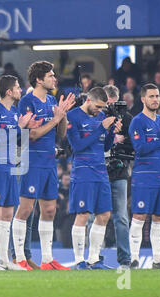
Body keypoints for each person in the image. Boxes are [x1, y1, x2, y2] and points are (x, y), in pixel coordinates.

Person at [12, 60, 75, 270]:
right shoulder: (26, 102)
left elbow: (62, 134)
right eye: (50, 75)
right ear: (39, 79)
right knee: (26, 209)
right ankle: (19, 258)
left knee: (49, 210)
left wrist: (63, 116)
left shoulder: (51, 100)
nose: (54, 78)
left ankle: (47, 260)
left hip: (49, 162)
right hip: (31, 161)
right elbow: (32, 134)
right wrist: (55, 119)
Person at [0, 75, 38, 270]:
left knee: (7, 214)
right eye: (17, 87)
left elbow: (16, 140)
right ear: (8, 92)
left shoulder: (15, 112)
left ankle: (4, 259)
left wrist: (26, 129)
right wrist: (19, 126)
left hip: (11, 167)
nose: (20, 90)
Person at [67, 87, 122, 269]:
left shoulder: (100, 117)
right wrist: (101, 128)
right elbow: (77, 146)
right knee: (83, 214)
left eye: (103, 108)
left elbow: (105, 145)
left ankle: (93, 259)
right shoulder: (73, 116)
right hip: (83, 171)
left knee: (104, 215)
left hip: (100, 171)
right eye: (98, 106)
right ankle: (78, 261)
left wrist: (112, 132)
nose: (100, 110)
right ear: (89, 100)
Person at [128, 83, 160, 269]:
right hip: (143, 177)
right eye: (151, 96)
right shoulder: (137, 122)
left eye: (157, 96)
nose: (155, 99)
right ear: (143, 99)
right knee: (140, 216)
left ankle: (158, 260)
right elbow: (140, 149)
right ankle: (133, 258)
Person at [103, 84, 132, 268]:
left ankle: (125, 260)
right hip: (99, 172)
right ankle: (93, 258)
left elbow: (136, 146)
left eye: (114, 103)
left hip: (119, 172)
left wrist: (123, 140)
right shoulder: (98, 117)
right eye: (108, 104)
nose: (111, 107)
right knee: (94, 216)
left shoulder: (128, 119)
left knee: (121, 217)